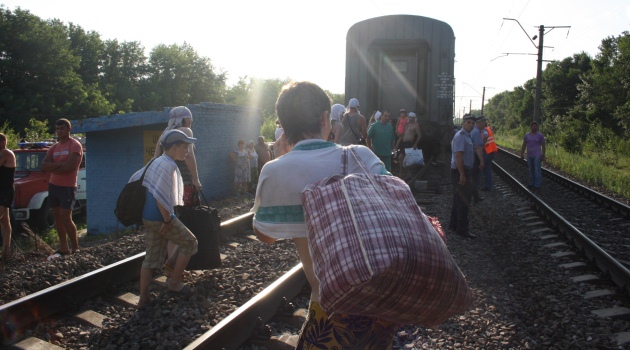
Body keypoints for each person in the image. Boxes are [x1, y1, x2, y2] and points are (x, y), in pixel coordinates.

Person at [252, 81, 396, 349]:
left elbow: (265, 236)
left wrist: (281, 159)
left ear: (283, 126)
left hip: (328, 309)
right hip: (379, 309)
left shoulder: (274, 171)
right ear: (323, 119)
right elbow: (399, 203)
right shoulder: (360, 156)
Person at [133, 129, 199, 308]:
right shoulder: (168, 165)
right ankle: (175, 283)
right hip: (160, 217)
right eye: (184, 146)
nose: (187, 150)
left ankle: (144, 298)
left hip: (148, 217)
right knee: (190, 243)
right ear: (174, 147)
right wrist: (167, 221)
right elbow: (159, 197)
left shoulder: (156, 161)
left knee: (151, 258)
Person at [41, 119, 83, 255]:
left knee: (66, 217)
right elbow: (43, 166)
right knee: (57, 217)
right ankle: (64, 246)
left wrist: (53, 166)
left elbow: (70, 166)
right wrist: (60, 166)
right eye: (57, 128)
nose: (59, 131)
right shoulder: (54, 147)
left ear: (69, 129)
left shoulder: (75, 145)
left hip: (68, 187)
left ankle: (75, 246)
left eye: (62, 128)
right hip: (54, 185)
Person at [449, 114, 477, 239]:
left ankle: (453, 225)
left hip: (461, 171)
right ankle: (462, 229)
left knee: (458, 200)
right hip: (461, 171)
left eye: (472, 123)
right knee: (464, 201)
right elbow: (459, 156)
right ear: (463, 123)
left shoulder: (467, 136)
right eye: (469, 122)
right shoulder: (461, 137)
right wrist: (462, 174)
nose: (471, 124)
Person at [0, 133, 16, 259]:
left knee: (4, 220)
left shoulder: (6, 153)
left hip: (5, 191)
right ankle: (6, 251)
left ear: (3, 142)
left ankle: (6, 251)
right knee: (5, 221)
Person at [520, 121, 546, 190]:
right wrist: (522, 153)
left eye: (536, 126)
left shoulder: (540, 135)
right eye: (533, 126)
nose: (535, 127)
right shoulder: (527, 135)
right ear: (531, 127)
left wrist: (543, 154)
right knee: (531, 170)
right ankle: (531, 183)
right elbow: (524, 145)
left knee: (537, 170)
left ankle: (537, 184)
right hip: (529, 155)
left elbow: (543, 146)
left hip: (537, 155)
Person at [395, 112, 422, 178]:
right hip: (403, 143)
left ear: (414, 118)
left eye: (412, 117)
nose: (411, 119)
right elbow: (401, 131)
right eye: (410, 117)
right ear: (408, 117)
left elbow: (419, 136)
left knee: (407, 159)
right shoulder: (406, 124)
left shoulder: (416, 125)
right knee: (401, 157)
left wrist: (415, 144)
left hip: (410, 143)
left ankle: (407, 173)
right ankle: (402, 173)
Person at [478, 116, 497, 191]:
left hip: (487, 151)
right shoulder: (489, 129)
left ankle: (476, 184)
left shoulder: (484, 130)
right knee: (488, 169)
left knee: (480, 167)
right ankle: (488, 185)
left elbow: (484, 139)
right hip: (491, 151)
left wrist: (481, 148)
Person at [470, 116, 485, 203]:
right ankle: (475, 197)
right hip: (475, 157)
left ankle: (474, 196)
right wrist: (481, 161)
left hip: (472, 157)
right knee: (474, 178)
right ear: (479, 122)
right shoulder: (476, 132)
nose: (484, 124)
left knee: (473, 178)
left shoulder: (474, 131)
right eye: (483, 122)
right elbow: (478, 148)